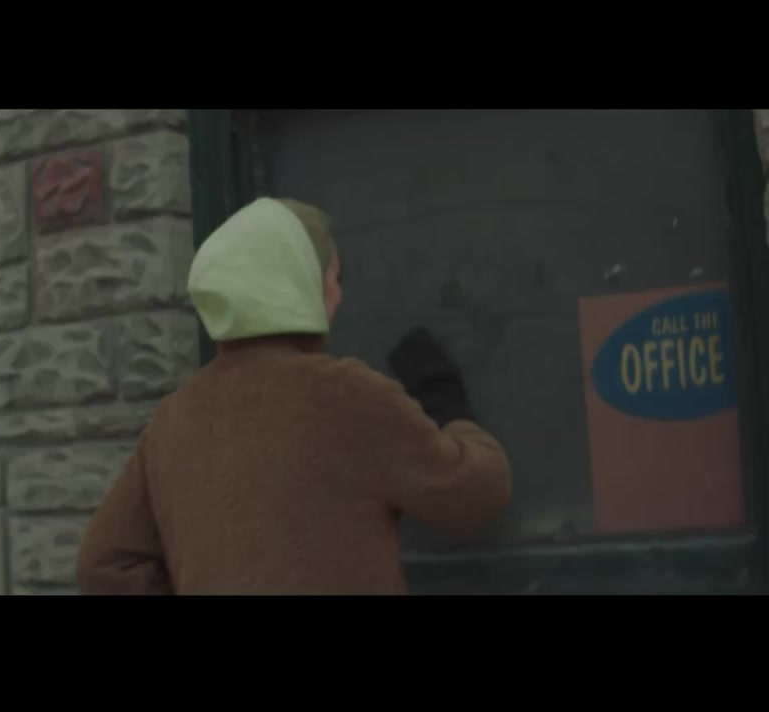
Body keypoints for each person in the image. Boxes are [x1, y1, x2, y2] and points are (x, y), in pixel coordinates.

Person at [74, 197, 511, 595]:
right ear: (299, 286)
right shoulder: (345, 394)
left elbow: (104, 565)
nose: (339, 295)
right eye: (333, 278)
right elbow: (475, 494)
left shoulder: (174, 418)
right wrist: (446, 401)